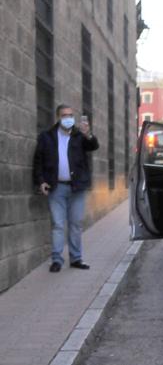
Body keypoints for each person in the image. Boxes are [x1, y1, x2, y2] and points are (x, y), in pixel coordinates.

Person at [33, 104, 99, 272]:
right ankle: (57, 260)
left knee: (75, 224)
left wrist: (88, 134)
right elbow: (38, 161)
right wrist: (41, 181)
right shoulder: (47, 137)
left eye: (70, 115)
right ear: (58, 117)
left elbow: (93, 146)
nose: (68, 118)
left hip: (76, 188)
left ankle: (76, 258)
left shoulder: (79, 136)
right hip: (56, 188)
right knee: (58, 224)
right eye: (64, 115)